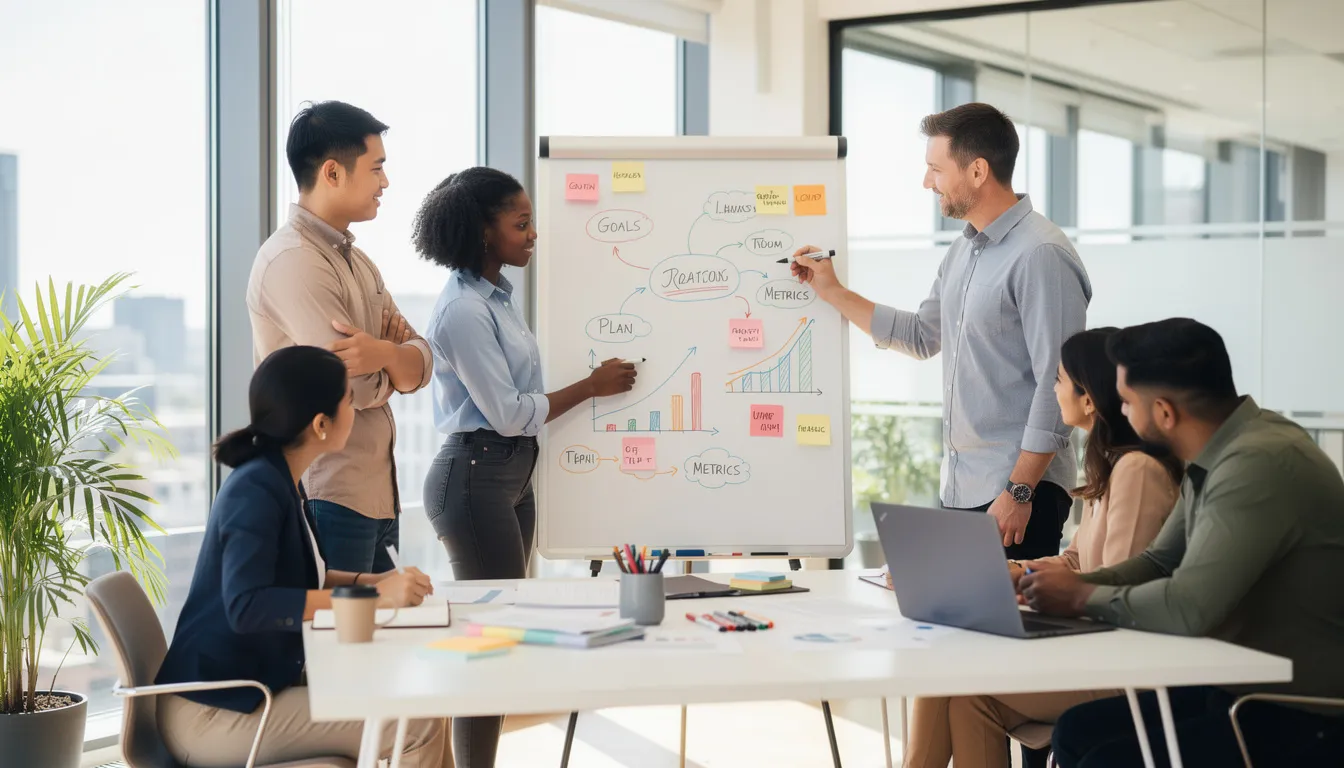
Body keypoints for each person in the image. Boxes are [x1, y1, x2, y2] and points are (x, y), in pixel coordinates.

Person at [1019, 318, 1344, 767]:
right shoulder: (1221, 449)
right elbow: (1157, 560)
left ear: (1165, 413)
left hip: (1298, 710)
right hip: (1232, 685)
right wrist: (1062, 588)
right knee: (1077, 731)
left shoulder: (1256, 465)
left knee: (1105, 760)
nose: (1121, 413)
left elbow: (1189, 607)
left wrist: (1084, 595)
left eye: (1128, 402)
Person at [791, 102, 1091, 561]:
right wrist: (831, 290)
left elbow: (1057, 383)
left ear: (976, 171)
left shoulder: (1040, 255)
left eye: (935, 169)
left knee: (1004, 629)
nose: (927, 182)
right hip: (963, 486)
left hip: (1017, 494)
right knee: (959, 628)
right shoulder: (964, 252)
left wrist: (1020, 491)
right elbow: (920, 335)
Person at [412, 166, 636, 767]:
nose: (534, 233)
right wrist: (591, 387)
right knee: (490, 643)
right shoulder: (463, 310)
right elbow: (510, 413)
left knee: (501, 639)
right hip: (476, 475)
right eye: (522, 223)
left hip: (508, 476)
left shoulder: (497, 299)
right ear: (485, 231)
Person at [155, 346, 449, 767]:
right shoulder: (254, 490)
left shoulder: (278, 478)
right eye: (349, 400)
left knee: (420, 699)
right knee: (415, 726)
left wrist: (375, 584)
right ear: (321, 424)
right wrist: (376, 600)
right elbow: (248, 605)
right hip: (214, 712)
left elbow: (307, 579)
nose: (355, 409)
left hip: (246, 690)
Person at [903, 328, 1182, 768]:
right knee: (959, 691)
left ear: (1089, 399)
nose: (1051, 390)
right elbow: (1077, 559)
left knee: (953, 678)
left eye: (1057, 379)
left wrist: (1028, 580)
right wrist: (1009, 570)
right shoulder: (1110, 466)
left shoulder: (1137, 471)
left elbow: (1120, 582)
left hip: (1122, 667)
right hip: (1095, 650)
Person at [247, 100, 433, 575]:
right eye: (377, 168)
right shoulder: (295, 262)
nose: (385, 183)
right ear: (332, 172)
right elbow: (350, 390)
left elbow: (424, 362)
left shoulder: (357, 260)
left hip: (377, 494)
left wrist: (385, 352)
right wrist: (394, 365)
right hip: (329, 493)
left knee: (381, 638)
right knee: (341, 642)